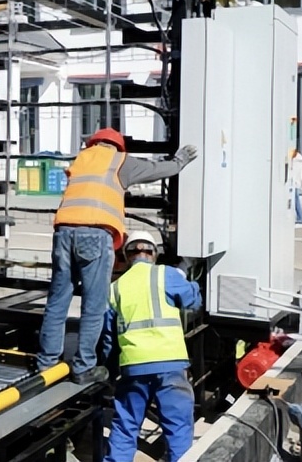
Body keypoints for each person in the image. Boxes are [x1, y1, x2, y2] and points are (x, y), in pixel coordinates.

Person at [37, 128, 198, 385]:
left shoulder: (82, 159)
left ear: (94, 143)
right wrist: (179, 162)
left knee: (58, 301)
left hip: (63, 233)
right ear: (118, 145)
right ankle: (83, 367)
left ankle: (47, 363)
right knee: (94, 305)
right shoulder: (120, 160)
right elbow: (156, 169)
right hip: (95, 235)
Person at [102, 231, 202, 462]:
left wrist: (111, 373)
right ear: (154, 254)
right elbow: (193, 301)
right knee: (178, 428)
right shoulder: (166, 274)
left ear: (127, 256)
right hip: (170, 364)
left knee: (125, 426)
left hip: (133, 368)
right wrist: (190, 281)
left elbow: (109, 338)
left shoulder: (115, 288)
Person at [291, 149, 302, 228]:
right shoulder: (299, 158)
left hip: (294, 183)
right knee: (295, 201)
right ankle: (300, 219)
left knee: (296, 201)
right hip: (296, 182)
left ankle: (300, 219)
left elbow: (294, 172)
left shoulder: (296, 159)